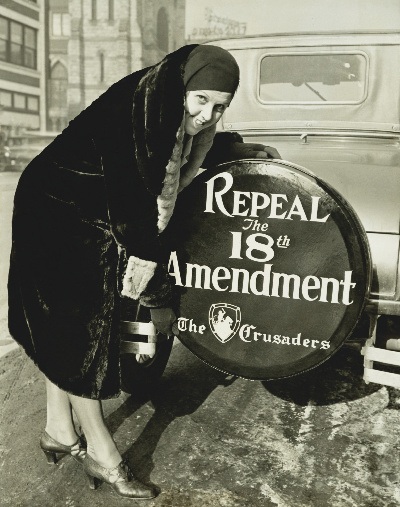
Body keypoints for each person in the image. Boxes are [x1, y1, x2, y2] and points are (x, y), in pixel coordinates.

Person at [8, 44, 280, 500]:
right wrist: (158, 293)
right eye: (201, 102)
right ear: (183, 90)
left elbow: (185, 150)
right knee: (81, 335)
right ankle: (103, 454)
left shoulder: (170, 101)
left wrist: (236, 147)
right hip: (57, 210)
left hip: (85, 204)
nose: (207, 115)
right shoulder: (138, 111)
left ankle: (59, 429)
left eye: (220, 107)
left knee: (62, 328)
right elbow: (133, 212)